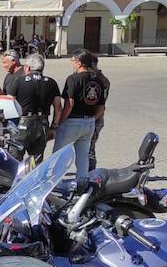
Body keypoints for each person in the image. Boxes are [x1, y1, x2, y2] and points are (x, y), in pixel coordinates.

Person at [53, 50, 109, 188]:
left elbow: (69, 103)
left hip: (72, 120)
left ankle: (56, 185)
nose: (72, 63)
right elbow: (102, 107)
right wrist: (91, 119)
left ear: (79, 62)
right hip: (89, 122)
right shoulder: (98, 80)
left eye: (73, 61)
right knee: (83, 156)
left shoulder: (73, 79)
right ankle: (82, 184)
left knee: (59, 155)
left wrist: (61, 121)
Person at [12, 54, 60, 164]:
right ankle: (34, 179)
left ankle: (17, 179)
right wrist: (54, 127)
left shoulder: (19, 81)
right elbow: (58, 108)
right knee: (36, 158)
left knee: (16, 156)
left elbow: (11, 104)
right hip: (42, 123)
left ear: (27, 67)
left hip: (23, 123)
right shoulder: (51, 83)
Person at [84, 51, 110, 170]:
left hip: (95, 118)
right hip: (92, 118)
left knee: (89, 148)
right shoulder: (98, 78)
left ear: (93, 65)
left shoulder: (101, 81)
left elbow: (100, 103)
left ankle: (90, 174)